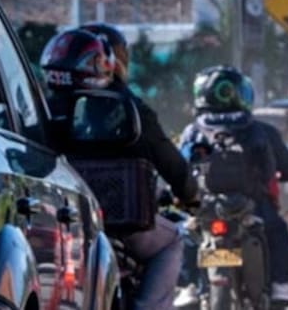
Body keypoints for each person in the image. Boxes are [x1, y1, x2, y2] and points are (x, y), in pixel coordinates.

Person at [42, 26, 196, 310]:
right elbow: (170, 162)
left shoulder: (40, 110)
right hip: (120, 220)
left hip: (55, 219)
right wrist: (190, 194)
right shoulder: (129, 108)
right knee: (172, 241)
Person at [176, 65, 288, 305]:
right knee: (276, 230)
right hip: (253, 206)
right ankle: (279, 284)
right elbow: (287, 164)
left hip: (204, 207)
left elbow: (177, 167)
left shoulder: (192, 131)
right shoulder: (260, 130)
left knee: (187, 233)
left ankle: (190, 286)